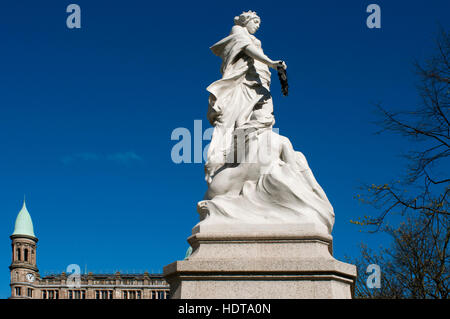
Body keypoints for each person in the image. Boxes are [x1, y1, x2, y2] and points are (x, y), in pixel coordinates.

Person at [205, 10, 287, 183]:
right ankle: (224, 160)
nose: (257, 26)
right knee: (233, 120)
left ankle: (250, 153)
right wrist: (270, 62)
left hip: (260, 82)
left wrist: (272, 67)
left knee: (264, 117)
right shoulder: (238, 30)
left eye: (259, 23)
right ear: (246, 21)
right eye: (255, 22)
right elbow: (246, 48)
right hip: (244, 83)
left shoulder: (256, 40)